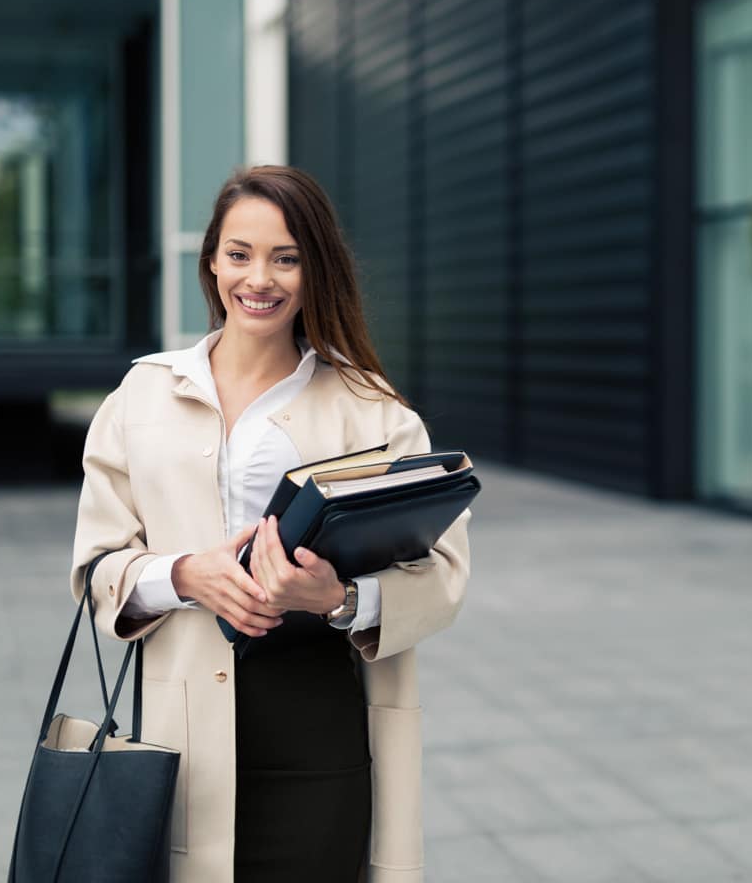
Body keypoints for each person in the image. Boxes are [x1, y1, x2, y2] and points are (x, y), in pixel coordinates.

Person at [69, 165, 470, 883]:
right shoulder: (142, 395)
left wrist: (337, 599)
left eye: (286, 258)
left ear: (316, 269)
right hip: (179, 729)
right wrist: (186, 575)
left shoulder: (374, 409)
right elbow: (95, 565)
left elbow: (443, 577)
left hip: (319, 722)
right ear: (212, 263)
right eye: (239, 254)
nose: (260, 278)